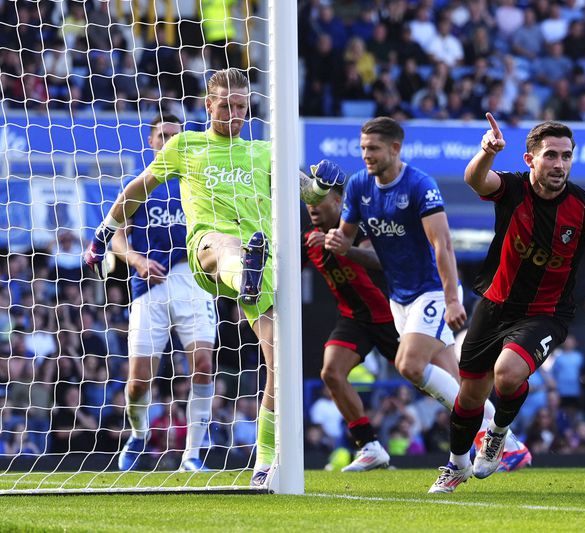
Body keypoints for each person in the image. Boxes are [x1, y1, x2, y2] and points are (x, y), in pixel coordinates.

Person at [84, 68, 346, 487]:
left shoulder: (265, 152)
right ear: (208, 106)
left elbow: (311, 195)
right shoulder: (185, 145)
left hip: (263, 265)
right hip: (206, 252)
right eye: (226, 105)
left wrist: (323, 182)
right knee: (226, 245)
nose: (235, 114)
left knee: (280, 363)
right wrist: (101, 236)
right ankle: (246, 270)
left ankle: (264, 465)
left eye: (242, 106)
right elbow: (138, 187)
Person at [429, 116, 585, 494]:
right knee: (470, 395)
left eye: (566, 156)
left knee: (507, 375)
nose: (559, 164)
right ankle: (456, 465)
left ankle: (499, 433)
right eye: (551, 155)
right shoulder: (512, 188)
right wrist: (486, 153)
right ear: (530, 159)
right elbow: (475, 179)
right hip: (493, 306)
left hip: (546, 313)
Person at [325, 116, 531, 475]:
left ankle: (485, 436)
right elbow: (347, 237)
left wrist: (452, 299)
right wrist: (338, 242)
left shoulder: (420, 185)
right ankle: (510, 445)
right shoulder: (359, 186)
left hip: (431, 291)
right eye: (362, 149)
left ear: (395, 148)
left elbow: (443, 244)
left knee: (409, 365)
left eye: (373, 149)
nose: (366, 155)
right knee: (459, 383)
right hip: (399, 298)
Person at [109, 114, 217, 472]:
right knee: (139, 382)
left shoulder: (197, 185)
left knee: (203, 365)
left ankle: (191, 455)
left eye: (175, 136)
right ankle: (139, 435)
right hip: (148, 285)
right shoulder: (139, 185)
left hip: (191, 280)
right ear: (152, 141)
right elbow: (117, 237)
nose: (169, 140)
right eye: (163, 135)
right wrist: (137, 261)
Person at [303, 184, 394, 471]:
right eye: (308, 201)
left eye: (319, 199)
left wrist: (345, 248)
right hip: (353, 318)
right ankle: (369, 445)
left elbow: (380, 261)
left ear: (338, 200)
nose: (312, 206)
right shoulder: (307, 238)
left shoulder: (359, 224)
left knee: (424, 379)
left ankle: (485, 428)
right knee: (331, 372)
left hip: (390, 315)